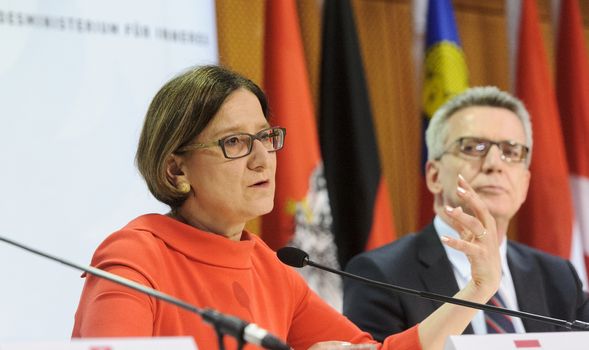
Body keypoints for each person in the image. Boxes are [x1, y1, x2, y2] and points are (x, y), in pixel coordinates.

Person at [72, 65, 501, 350]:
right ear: (175, 170)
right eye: (235, 142)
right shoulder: (134, 258)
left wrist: (475, 291)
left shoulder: (269, 267)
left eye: (265, 136)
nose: (262, 159)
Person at [343, 86, 589, 341]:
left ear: (525, 183)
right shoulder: (381, 275)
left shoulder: (558, 278)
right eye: (473, 147)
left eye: (511, 151)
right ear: (434, 176)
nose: (494, 164)